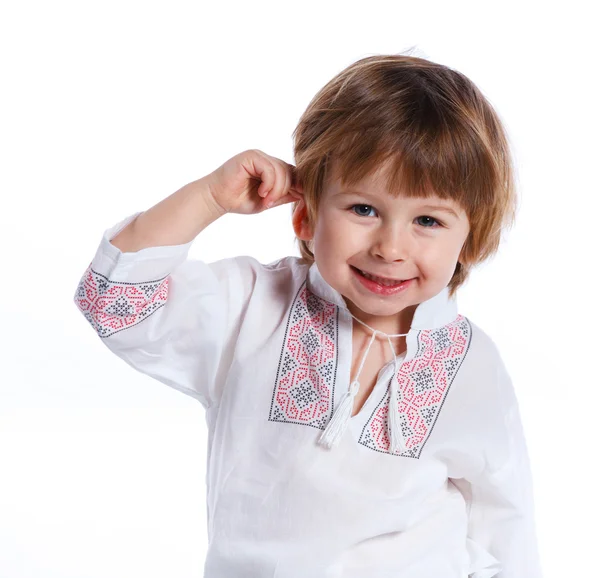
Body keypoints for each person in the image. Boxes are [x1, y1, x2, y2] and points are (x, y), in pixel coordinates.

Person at [73, 54, 543, 577]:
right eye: (363, 209)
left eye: (428, 220)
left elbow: (506, 526)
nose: (390, 247)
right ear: (306, 214)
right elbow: (113, 299)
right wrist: (209, 197)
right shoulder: (251, 307)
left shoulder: (475, 366)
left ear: (469, 240)